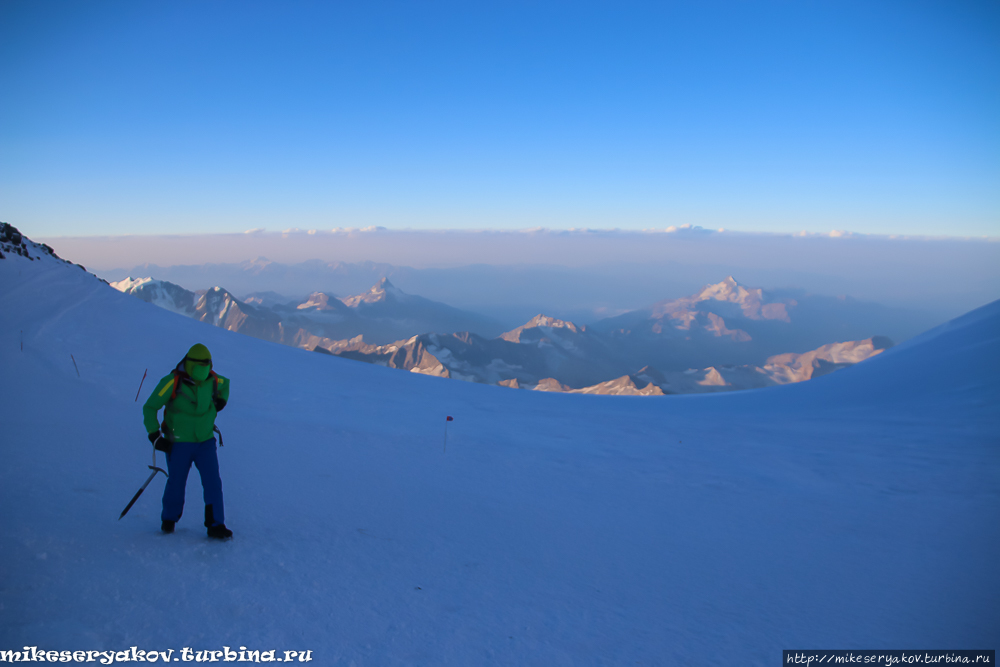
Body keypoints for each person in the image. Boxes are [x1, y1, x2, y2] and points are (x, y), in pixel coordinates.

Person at [142, 343, 233, 539]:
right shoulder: (173, 381)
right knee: (178, 483)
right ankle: (169, 520)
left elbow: (225, 384)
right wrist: (154, 435)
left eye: (207, 366)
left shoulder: (213, 379)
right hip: (178, 443)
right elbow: (150, 407)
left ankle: (216, 525)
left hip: (205, 442)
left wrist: (220, 401)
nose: (204, 371)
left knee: (212, 483)